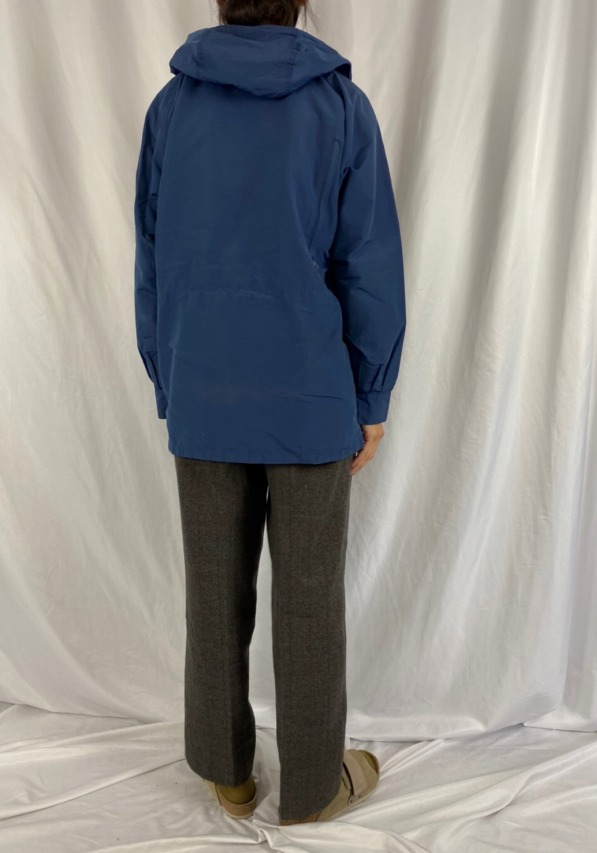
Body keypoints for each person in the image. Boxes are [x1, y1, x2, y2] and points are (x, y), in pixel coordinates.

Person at [133, 0, 406, 826]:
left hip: (204, 388)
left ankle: (228, 774)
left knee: (212, 591)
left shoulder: (172, 108)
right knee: (310, 597)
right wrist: (372, 394)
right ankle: (316, 785)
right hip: (311, 392)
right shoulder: (339, 107)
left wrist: (170, 376)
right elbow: (368, 262)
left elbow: (153, 257)